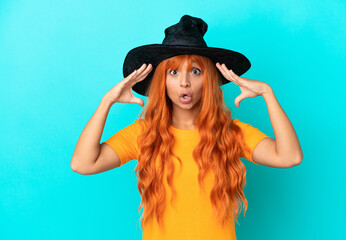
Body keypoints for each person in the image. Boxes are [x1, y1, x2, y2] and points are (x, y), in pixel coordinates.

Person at [71, 15, 303, 240]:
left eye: (195, 71)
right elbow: (83, 164)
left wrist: (267, 94)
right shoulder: (144, 134)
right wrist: (106, 102)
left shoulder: (230, 133)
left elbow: (289, 156)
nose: (184, 82)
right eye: (173, 72)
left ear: (208, 79)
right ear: (162, 80)